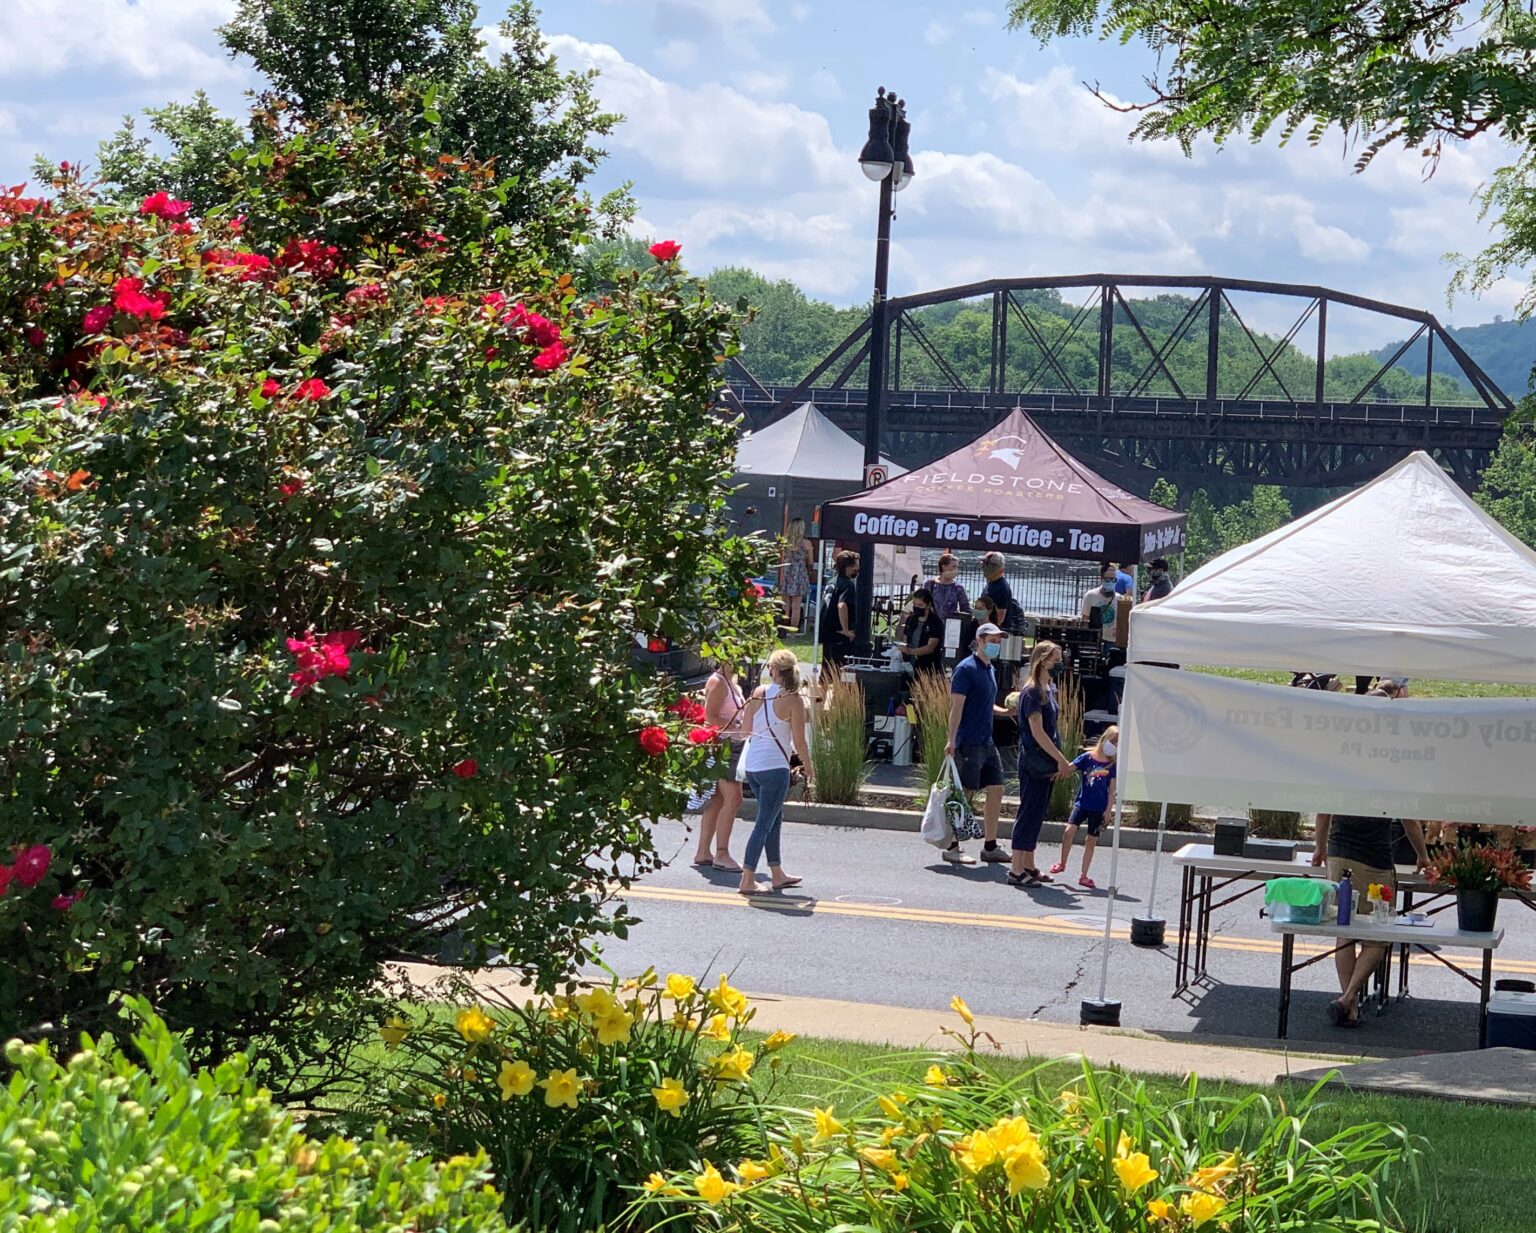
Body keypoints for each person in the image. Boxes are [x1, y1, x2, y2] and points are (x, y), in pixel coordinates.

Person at [1311, 691, 1432, 1027]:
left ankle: (1348, 1004)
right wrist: (1422, 854)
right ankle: (1349, 997)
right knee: (1378, 935)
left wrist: (1319, 848)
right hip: (1374, 857)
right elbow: (1408, 816)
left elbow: (1324, 811)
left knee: (1344, 930)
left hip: (1338, 851)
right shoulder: (1391, 758)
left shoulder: (1343, 755)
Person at [737, 650, 813, 895]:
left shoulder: (758, 693)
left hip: (753, 767)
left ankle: (777, 872)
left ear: (774, 671)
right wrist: (808, 765)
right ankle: (747, 878)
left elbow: (746, 731)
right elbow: (799, 742)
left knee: (773, 818)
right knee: (764, 822)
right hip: (775, 768)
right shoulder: (794, 700)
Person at [942, 623, 1014, 865]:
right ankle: (952, 845)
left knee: (997, 789)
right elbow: (957, 707)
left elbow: (984, 702)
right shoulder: (966, 669)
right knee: (966, 794)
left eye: (998, 640)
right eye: (992, 640)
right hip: (969, 741)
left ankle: (990, 846)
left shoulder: (988, 668)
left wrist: (1004, 711)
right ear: (980, 641)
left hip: (986, 740)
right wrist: (952, 740)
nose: (996, 644)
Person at [1009, 640, 1076, 887]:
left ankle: (1028, 863)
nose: (1059, 663)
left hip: (1045, 760)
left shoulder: (1048, 690)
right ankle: (1016, 869)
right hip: (1034, 761)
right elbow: (1037, 732)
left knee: (1037, 813)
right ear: (1042, 661)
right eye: (1055, 659)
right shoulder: (1033, 692)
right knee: (1029, 812)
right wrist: (1061, 760)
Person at [690, 662, 747, 872]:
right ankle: (722, 853)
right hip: (723, 746)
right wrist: (737, 726)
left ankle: (703, 851)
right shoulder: (718, 682)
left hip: (731, 745)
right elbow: (709, 717)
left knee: (718, 798)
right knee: (734, 798)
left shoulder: (732, 683)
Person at [1050, 724, 1117, 889]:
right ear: (1104, 740)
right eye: (1113, 742)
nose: (1114, 747)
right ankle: (1062, 863)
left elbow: (1111, 791)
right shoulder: (1087, 758)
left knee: (1091, 840)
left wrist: (1108, 810)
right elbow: (1070, 767)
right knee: (1069, 831)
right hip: (1082, 803)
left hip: (1098, 807)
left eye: (1117, 744)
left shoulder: (1112, 766)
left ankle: (1084, 875)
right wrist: (1056, 771)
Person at [820, 550, 859, 667]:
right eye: (856, 566)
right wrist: (846, 630)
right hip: (839, 633)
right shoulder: (847, 584)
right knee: (840, 670)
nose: (858, 569)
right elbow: (842, 605)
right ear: (849, 567)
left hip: (827, 631)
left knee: (827, 669)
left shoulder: (831, 582)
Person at [898, 587, 945, 675]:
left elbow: (930, 647)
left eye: (920, 605)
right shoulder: (911, 619)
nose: (916, 607)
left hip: (927, 666)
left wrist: (910, 651)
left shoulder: (935, 622)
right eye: (914, 605)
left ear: (928, 605)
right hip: (909, 663)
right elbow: (905, 638)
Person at [779, 519, 812, 632]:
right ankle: (793, 632)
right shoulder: (807, 543)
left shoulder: (784, 542)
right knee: (796, 605)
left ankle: (783, 630)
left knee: (785, 604)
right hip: (799, 573)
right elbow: (811, 562)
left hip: (786, 571)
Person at [980, 552, 1021, 633]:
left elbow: (999, 618)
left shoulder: (1001, 588)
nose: (983, 567)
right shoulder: (991, 583)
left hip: (994, 633)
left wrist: (987, 632)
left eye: (986, 564)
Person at [1080, 563, 1120, 643]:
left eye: (1113, 579)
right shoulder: (1090, 595)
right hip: (1095, 638)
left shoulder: (1120, 598)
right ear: (1101, 579)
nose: (1111, 582)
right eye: (1107, 579)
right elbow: (1085, 617)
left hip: (1112, 640)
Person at [927, 553, 971, 623]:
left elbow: (966, 609)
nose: (956, 570)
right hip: (932, 625)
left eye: (957, 567)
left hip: (951, 625)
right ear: (944, 567)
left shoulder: (958, 588)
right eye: (954, 566)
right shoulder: (929, 584)